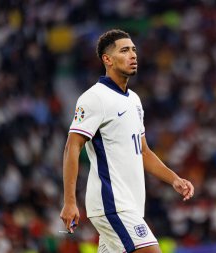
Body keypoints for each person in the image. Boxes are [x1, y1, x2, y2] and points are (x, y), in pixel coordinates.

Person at [60, 29, 194, 253]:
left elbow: (143, 151)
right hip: (112, 203)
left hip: (130, 204)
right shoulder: (95, 97)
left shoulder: (134, 100)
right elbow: (72, 147)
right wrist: (70, 201)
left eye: (133, 50)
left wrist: (174, 179)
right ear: (107, 59)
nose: (133, 55)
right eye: (124, 50)